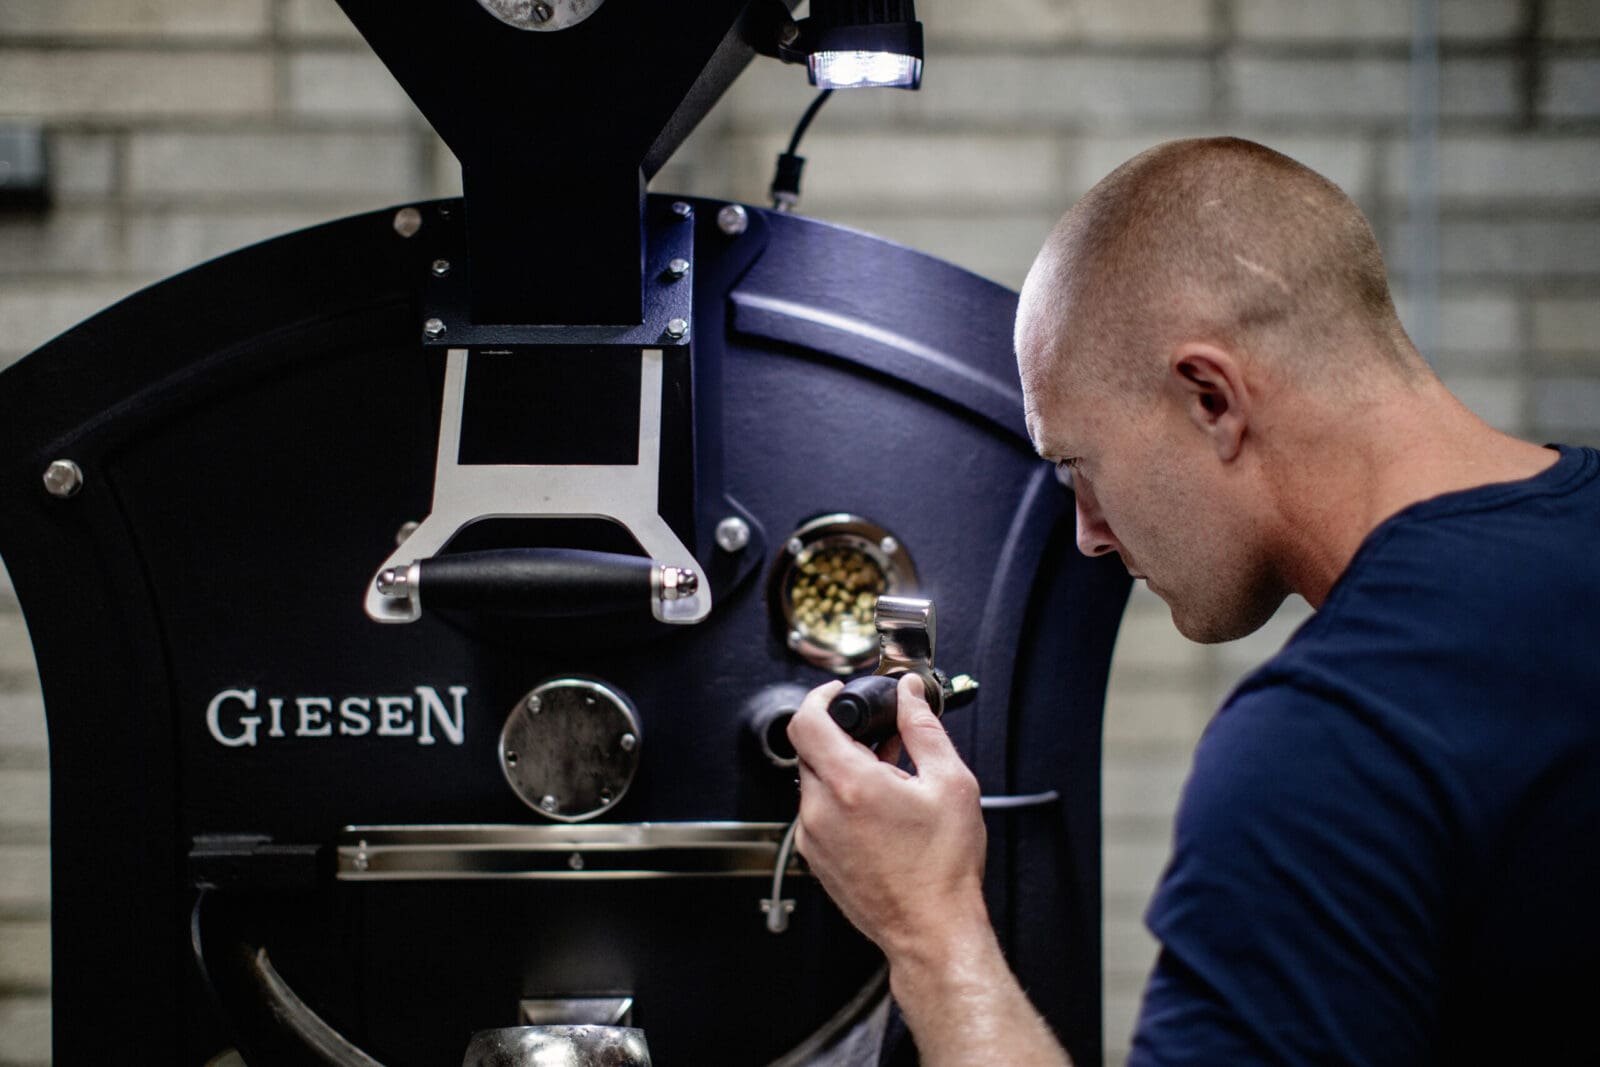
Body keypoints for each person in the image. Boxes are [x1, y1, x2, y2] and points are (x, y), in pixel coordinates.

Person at [786, 136, 1600, 1065]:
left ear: (1211, 398)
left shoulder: (1332, 743)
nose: (1089, 533)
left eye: (1078, 465)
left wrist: (929, 928)